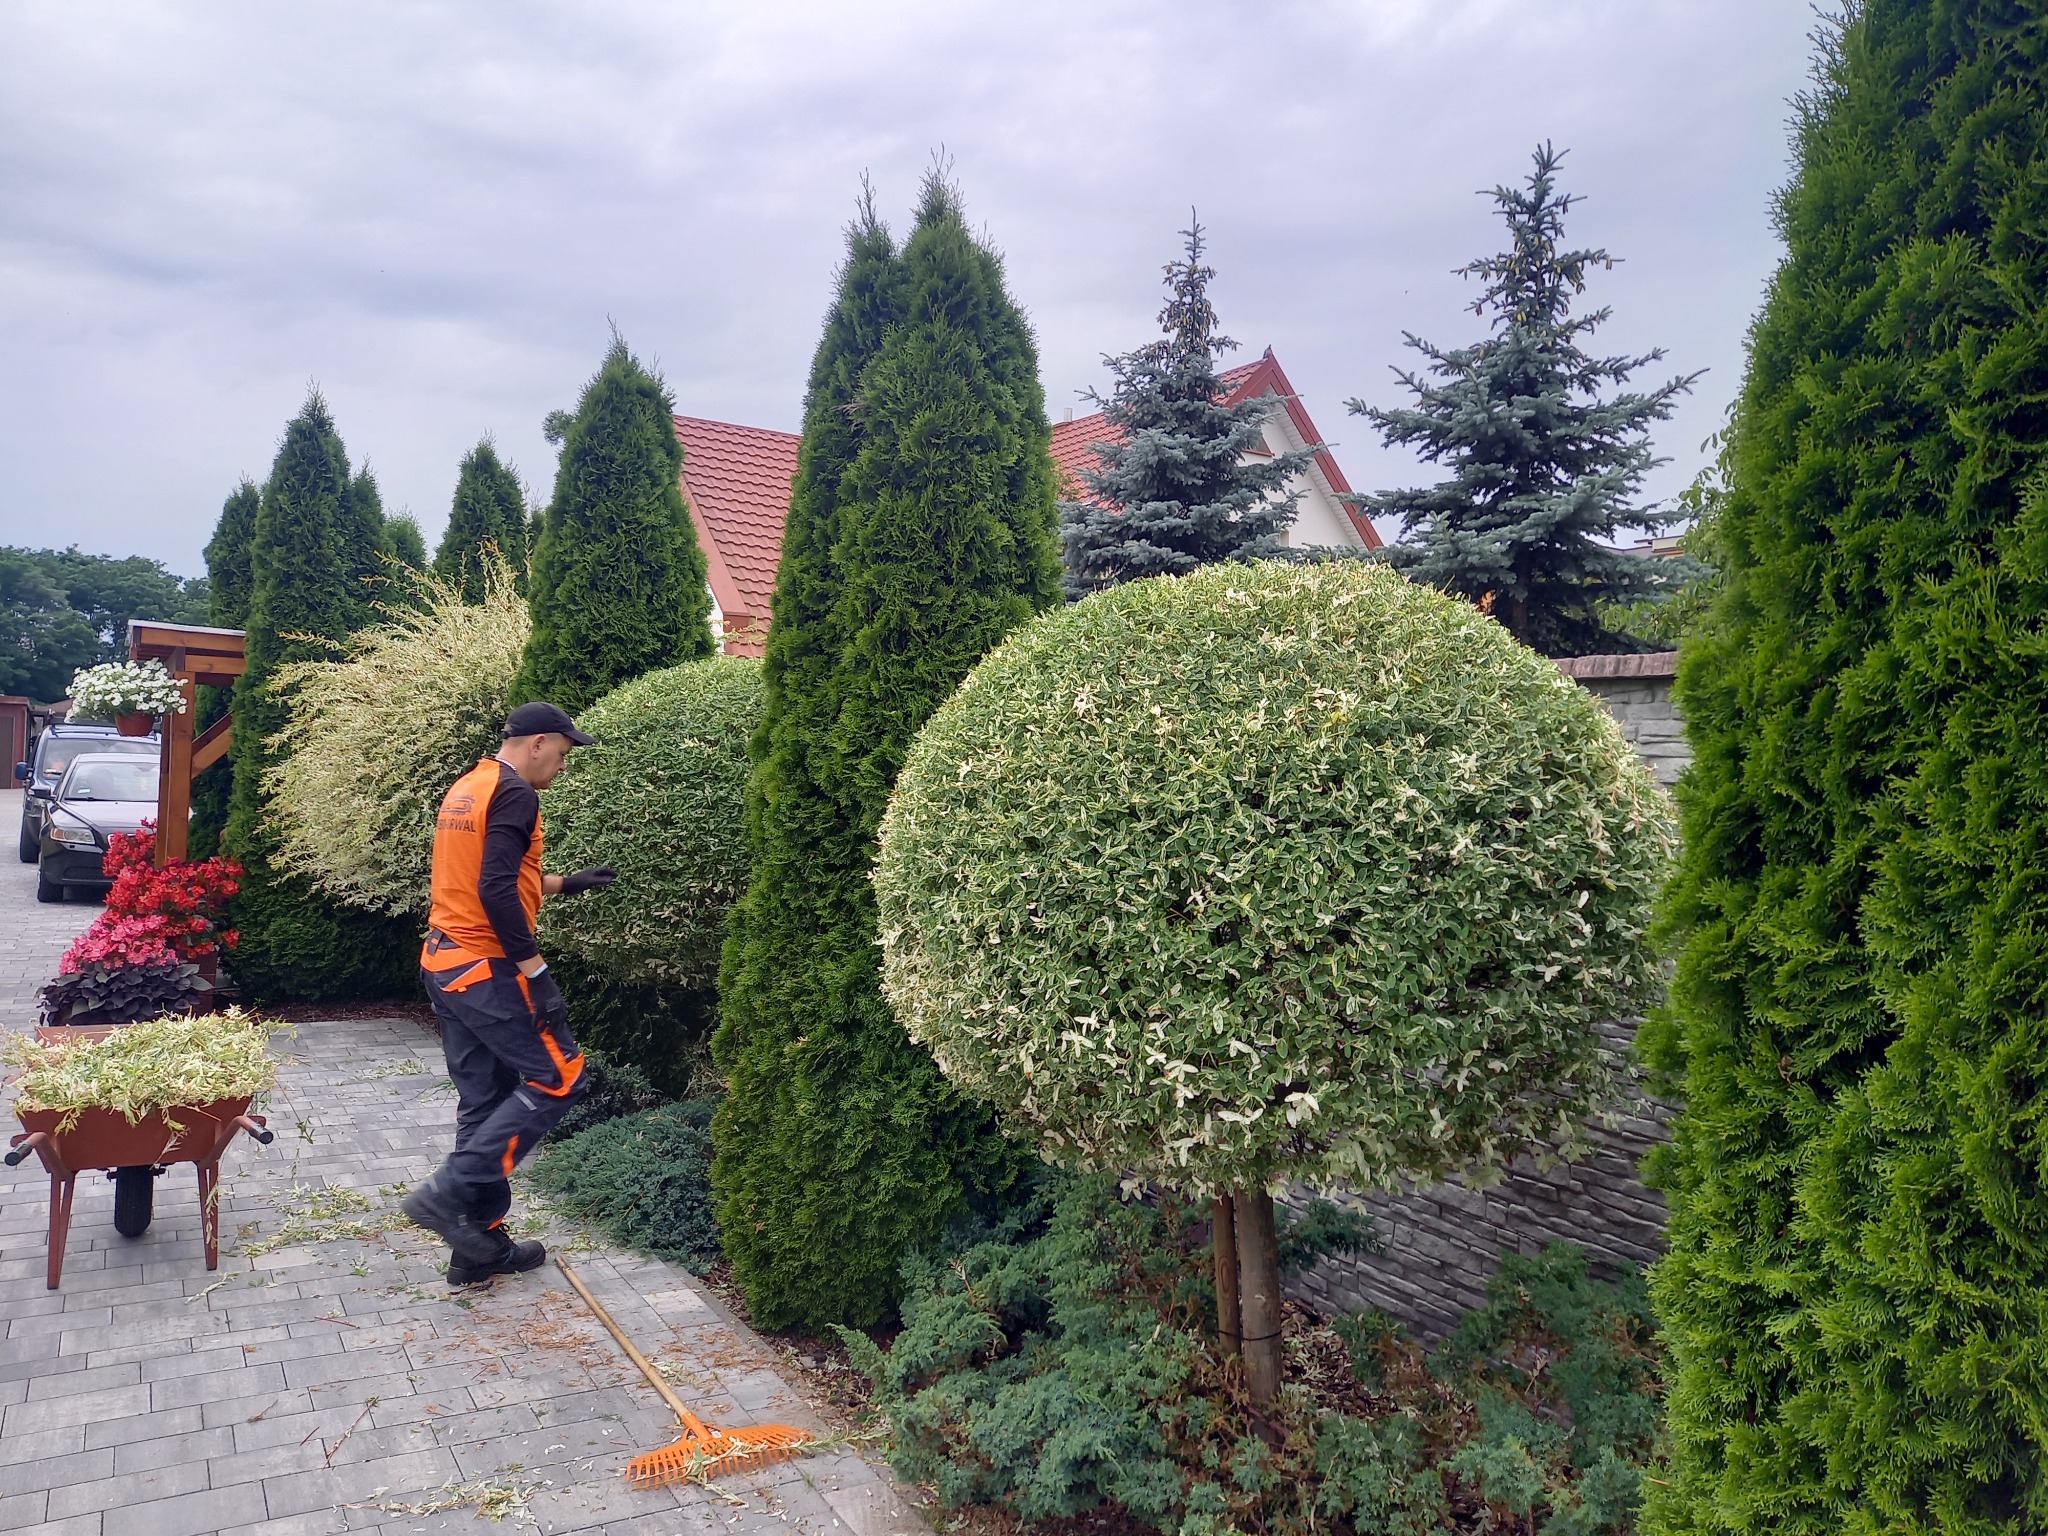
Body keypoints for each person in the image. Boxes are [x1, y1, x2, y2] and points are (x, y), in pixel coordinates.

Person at [401, 700, 616, 1284]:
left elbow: (485, 874)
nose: (564, 765)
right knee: (561, 1075)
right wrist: (537, 973)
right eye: (564, 753)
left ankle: (478, 1247)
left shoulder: (470, 785)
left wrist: (564, 883)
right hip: (486, 969)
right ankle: (445, 1195)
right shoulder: (518, 792)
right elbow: (495, 890)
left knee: (483, 1100)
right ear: (539, 742)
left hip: (444, 961)